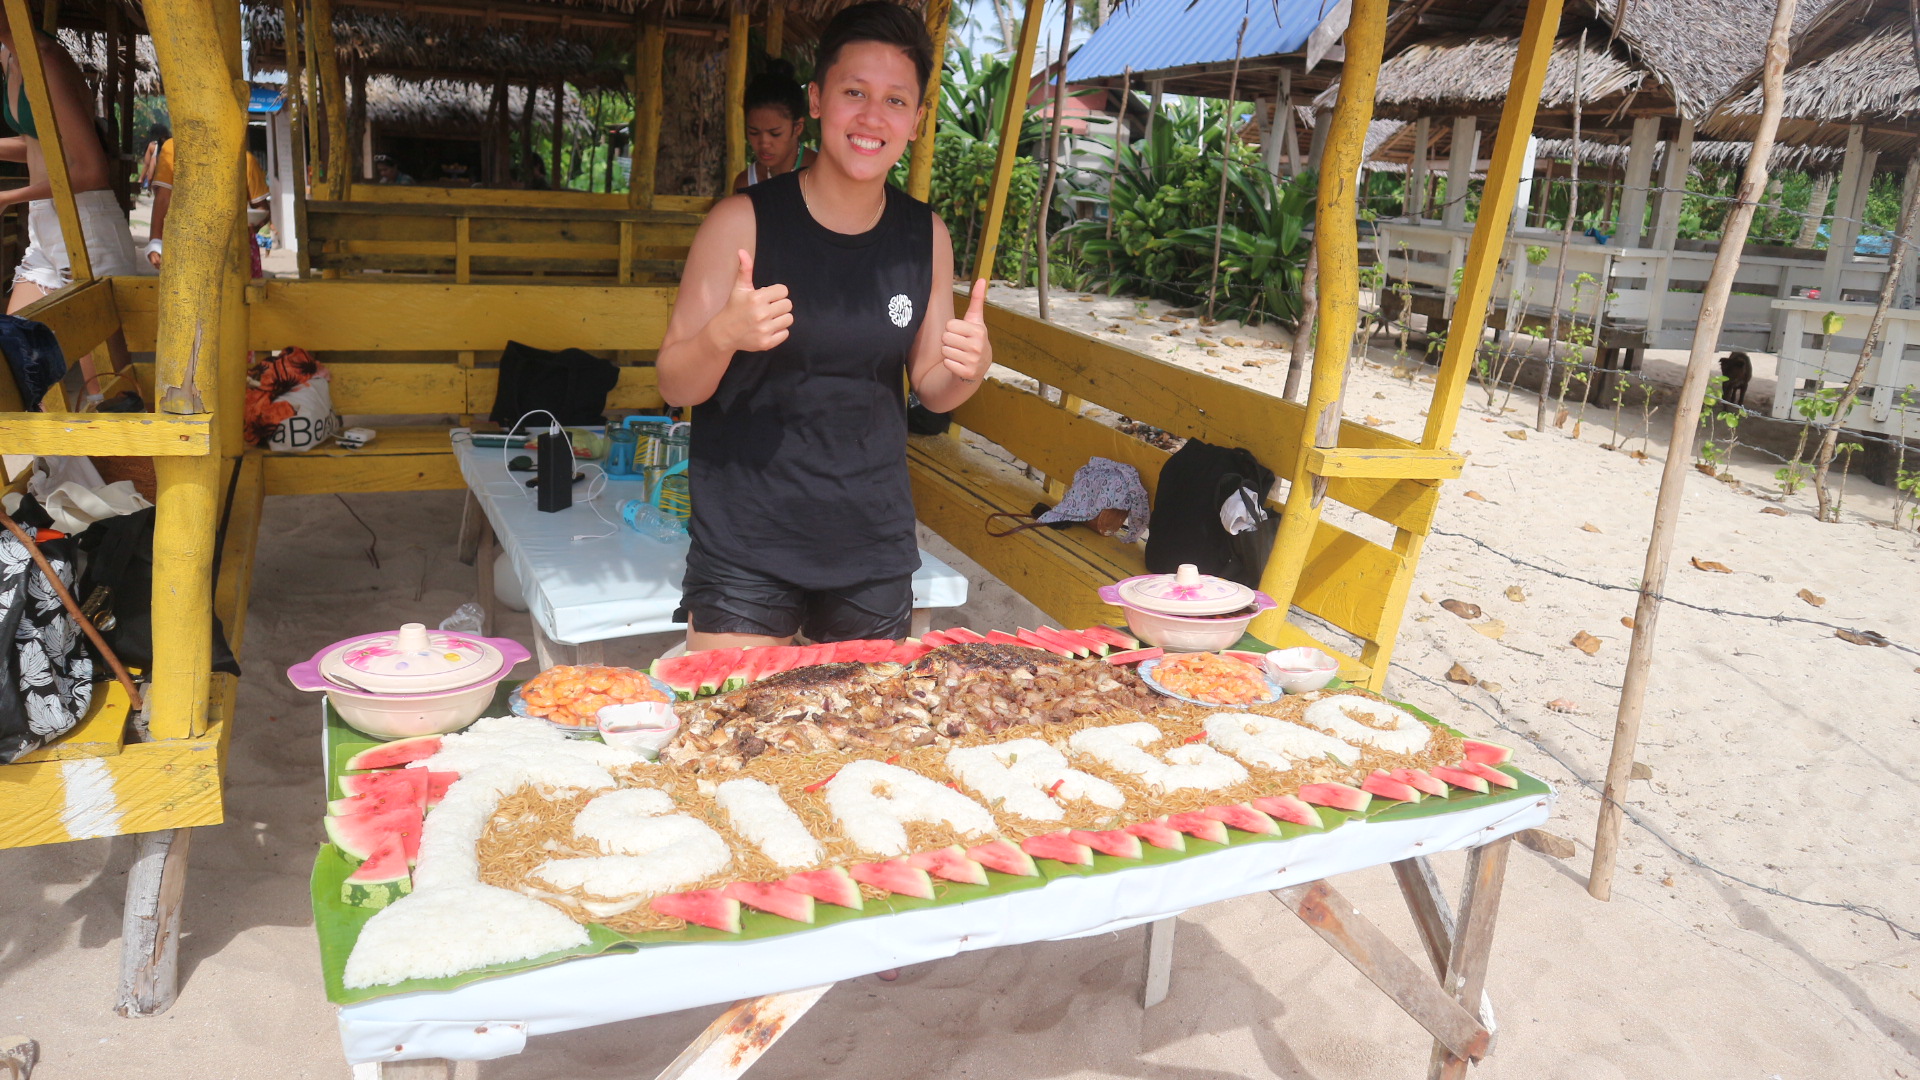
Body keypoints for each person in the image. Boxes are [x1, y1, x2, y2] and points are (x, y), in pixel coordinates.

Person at [657, 1, 992, 650]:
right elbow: (676, 382)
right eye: (854, 93)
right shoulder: (741, 222)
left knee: (857, 748)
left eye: (897, 101)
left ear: (918, 121)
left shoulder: (924, 236)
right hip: (744, 544)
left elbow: (931, 388)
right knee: (732, 743)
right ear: (816, 100)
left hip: (871, 543)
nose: (873, 117)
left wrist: (967, 369)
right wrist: (723, 334)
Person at [0, 15, 151, 313]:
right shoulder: (9, 59)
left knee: (102, 358)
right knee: (19, 351)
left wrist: (8, 197)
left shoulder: (47, 58)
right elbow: (38, 147)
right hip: (44, 226)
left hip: (86, 224)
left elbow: (92, 171)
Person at [145, 137, 272, 277]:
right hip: (185, 244)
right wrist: (155, 241)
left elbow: (262, 208)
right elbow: (163, 198)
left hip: (235, 249)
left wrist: (252, 224)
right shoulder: (174, 147)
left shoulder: (244, 159)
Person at [730, 60, 811, 192]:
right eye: (753, 132)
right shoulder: (746, 183)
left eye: (775, 134)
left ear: (797, 128)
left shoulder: (820, 175)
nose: (764, 143)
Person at [137, 123, 167, 190]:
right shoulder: (170, 145)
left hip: (156, 179)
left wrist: (141, 178)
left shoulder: (152, 146)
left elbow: (147, 164)